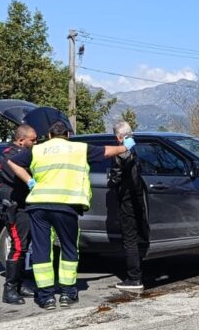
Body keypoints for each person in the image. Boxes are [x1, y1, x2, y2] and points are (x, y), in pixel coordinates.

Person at [7, 120, 134, 310]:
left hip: (38, 205)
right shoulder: (78, 148)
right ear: (68, 135)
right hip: (65, 206)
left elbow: (12, 162)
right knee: (68, 248)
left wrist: (30, 181)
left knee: (42, 250)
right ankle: (67, 293)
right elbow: (107, 151)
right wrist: (125, 146)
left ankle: (46, 297)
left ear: (50, 136)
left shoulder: (38, 149)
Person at [0, 123, 38, 305]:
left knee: (25, 246)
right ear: (21, 141)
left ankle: (20, 284)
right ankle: (10, 289)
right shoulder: (9, 155)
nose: (35, 143)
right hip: (13, 206)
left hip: (24, 205)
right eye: (32, 140)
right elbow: (18, 174)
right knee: (18, 247)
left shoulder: (21, 153)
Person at [107, 121, 149, 292]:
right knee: (138, 236)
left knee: (129, 239)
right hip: (139, 198)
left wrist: (111, 181)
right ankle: (138, 271)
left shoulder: (121, 152)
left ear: (118, 136)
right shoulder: (139, 148)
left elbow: (115, 178)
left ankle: (134, 278)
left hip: (127, 199)